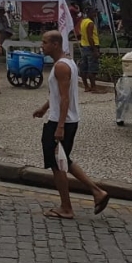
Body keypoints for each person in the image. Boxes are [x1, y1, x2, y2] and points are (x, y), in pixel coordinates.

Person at [33, 30, 109, 220]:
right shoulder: (68, 63)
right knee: (64, 159)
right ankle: (97, 192)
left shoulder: (61, 66)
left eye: (45, 42)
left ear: (55, 45)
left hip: (62, 122)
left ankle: (66, 207)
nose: (42, 45)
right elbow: (57, 95)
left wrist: (60, 126)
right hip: (65, 119)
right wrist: (44, 108)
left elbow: (65, 98)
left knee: (57, 165)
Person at [77, 7, 102, 94]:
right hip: (91, 47)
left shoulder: (83, 21)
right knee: (92, 68)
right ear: (90, 13)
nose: (95, 15)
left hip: (84, 46)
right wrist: (95, 50)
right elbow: (90, 37)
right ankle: (94, 87)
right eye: (94, 13)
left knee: (84, 67)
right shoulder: (90, 23)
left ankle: (86, 87)